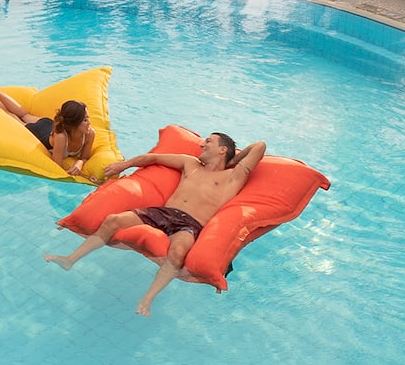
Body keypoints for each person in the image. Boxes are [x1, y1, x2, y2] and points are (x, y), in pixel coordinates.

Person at [47, 132, 266, 315]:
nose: (202, 144)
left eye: (209, 141)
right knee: (113, 220)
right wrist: (125, 164)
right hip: (163, 213)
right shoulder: (190, 163)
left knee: (178, 251)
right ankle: (70, 259)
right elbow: (153, 159)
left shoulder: (234, 176)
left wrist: (234, 159)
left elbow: (259, 145)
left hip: (190, 224)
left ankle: (147, 299)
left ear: (222, 149)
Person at [0, 70, 96, 177]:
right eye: (85, 120)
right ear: (74, 123)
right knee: (12, 115)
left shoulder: (90, 133)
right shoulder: (61, 137)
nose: (89, 123)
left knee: (24, 113)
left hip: (49, 123)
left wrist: (80, 163)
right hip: (39, 131)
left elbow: (84, 157)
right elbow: (56, 167)